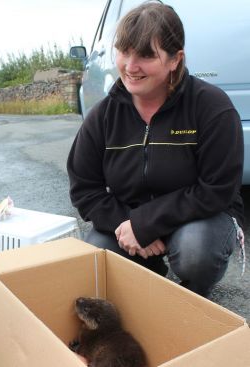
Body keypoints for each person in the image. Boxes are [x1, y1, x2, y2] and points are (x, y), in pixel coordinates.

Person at [67, 1, 244, 298]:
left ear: (175, 59)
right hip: (129, 216)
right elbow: (85, 189)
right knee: (96, 256)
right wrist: (129, 226)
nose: (130, 66)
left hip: (199, 219)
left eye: (147, 55)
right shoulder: (104, 116)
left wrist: (146, 223)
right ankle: (148, 277)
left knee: (195, 251)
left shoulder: (212, 108)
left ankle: (195, 297)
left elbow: (217, 189)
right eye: (124, 52)